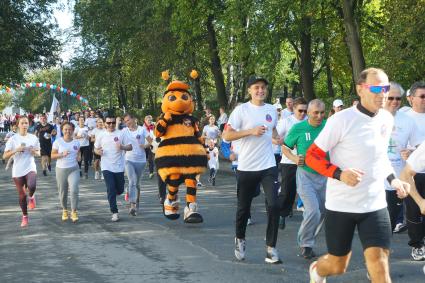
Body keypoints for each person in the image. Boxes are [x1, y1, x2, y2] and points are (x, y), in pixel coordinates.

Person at [305, 68, 410, 283]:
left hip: (374, 205)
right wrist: (339, 173)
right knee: (338, 264)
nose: (383, 94)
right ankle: (317, 270)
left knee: (380, 265)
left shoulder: (386, 119)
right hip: (341, 205)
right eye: (376, 88)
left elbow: (380, 157)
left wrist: (394, 179)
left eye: (385, 88)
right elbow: (311, 157)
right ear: (360, 89)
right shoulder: (341, 120)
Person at [223, 75, 282, 264]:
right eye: (256, 87)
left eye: (263, 87)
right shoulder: (241, 111)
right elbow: (227, 135)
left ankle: (271, 248)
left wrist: (276, 138)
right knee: (243, 208)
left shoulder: (272, 109)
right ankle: (240, 239)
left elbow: (272, 130)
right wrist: (251, 131)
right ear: (249, 90)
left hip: (268, 166)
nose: (260, 90)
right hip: (247, 167)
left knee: (274, 204)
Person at [281, 99, 327, 259]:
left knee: (322, 211)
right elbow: (285, 147)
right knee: (313, 210)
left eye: (322, 112)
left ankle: (308, 239)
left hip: (325, 175)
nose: (319, 116)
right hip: (305, 175)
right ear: (308, 113)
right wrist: (294, 158)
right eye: (316, 113)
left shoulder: (328, 126)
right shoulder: (299, 128)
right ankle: (306, 244)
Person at [383, 82, 421, 234]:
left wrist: (412, 153)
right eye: (390, 98)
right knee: (375, 222)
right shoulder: (372, 118)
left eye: (397, 98)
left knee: (391, 221)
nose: (394, 101)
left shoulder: (407, 120)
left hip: (397, 178)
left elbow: (419, 146)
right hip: (374, 180)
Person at [276, 97, 308, 229]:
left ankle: (309, 216)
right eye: (300, 110)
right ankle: (281, 214)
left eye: (305, 111)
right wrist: (284, 141)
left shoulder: (309, 121)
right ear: (293, 109)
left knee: (306, 190)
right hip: (288, 161)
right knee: (288, 191)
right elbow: (274, 137)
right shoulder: (286, 121)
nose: (303, 114)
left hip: (306, 163)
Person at [3, 116, 41, 227]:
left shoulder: (33, 138)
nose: (24, 125)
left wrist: (34, 151)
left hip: (30, 167)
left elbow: (39, 153)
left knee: (32, 186)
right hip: (18, 170)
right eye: (22, 123)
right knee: (22, 196)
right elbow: (5, 156)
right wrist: (16, 150)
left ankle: (32, 196)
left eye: (26, 123)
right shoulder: (13, 139)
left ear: (28, 125)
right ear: (18, 125)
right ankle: (25, 216)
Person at [402, 81, 425, 261]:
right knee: (414, 210)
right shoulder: (404, 117)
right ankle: (417, 244)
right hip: (412, 172)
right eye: (422, 97)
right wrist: (409, 152)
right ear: (411, 99)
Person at [94, 115, 132, 222]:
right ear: (105, 124)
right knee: (111, 188)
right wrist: (98, 152)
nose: (111, 125)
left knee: (119, 189)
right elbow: (95, 149)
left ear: (116, 123)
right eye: (108, 123)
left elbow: (130, 146)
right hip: (106, 167)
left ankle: (117, 192)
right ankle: (114, 212)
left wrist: (122, 147)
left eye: (113, 123)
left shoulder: (121, 134)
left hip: (119, 166)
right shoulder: (101, 135)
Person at [51, 122, 81, 222]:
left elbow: (78, 152)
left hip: (74, 169)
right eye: (65, 129)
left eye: (70, 129)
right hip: (61, 169)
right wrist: (61, 154)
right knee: (63, 192)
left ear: (73, 130)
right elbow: (52, 156)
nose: (68, 131)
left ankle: (73, 211)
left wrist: (79, 156)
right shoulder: (58, 142)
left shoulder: (76, 142)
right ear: (62, 130)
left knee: (74, 189)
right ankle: (64, 210)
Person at [123, 113, 152, 215]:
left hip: (141, 160)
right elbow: (116, 138)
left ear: (134, 119)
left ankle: (136, 202)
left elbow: (150, 141)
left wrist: (145, 146)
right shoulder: (124, 131)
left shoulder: (142, 129)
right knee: (132, 181)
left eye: (128, 120)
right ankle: (132, 205)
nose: (127, 123)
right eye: (125, 121)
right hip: (129, 159)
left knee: (137, 184)